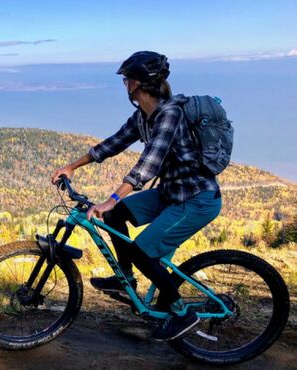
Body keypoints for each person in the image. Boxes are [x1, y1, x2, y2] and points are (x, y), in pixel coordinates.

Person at [51, 51, 222, 341]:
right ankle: (125, 279)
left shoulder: (169, 115)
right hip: (170, 192)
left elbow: (147, 166)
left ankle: (182, 313)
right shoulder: (143, 116)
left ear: (135, 85)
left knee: (142, 249)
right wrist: (71, 166)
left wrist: (111, 199)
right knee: (115, 217)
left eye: (126, 79)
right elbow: (112, 144)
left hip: (196, 199)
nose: (124, 84)